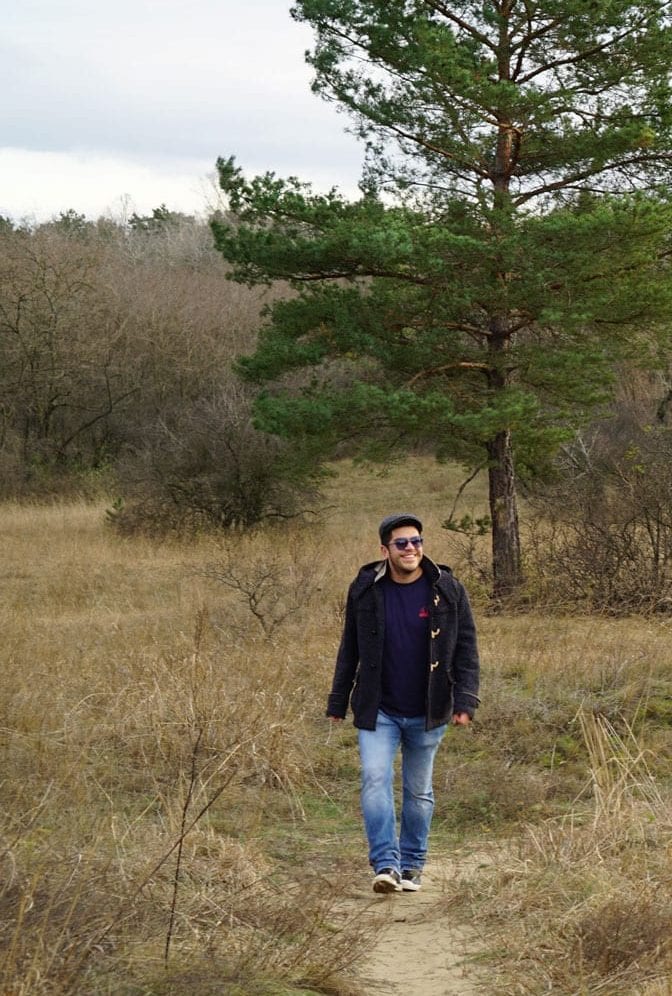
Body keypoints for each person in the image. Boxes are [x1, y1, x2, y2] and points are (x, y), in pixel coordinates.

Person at [326, 513, 480, 894]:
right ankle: (386, 865)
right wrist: (337, 700)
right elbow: (350, 648)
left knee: (418, 792)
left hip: (430, 709)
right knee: (375, 778)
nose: (411, 548)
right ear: (385, 550)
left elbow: (466, 649)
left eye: (416, 541)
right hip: (378, 708)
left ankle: (411, 866)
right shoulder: (365, 589)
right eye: (402, 543)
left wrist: (465, 700)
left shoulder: (448, 589)